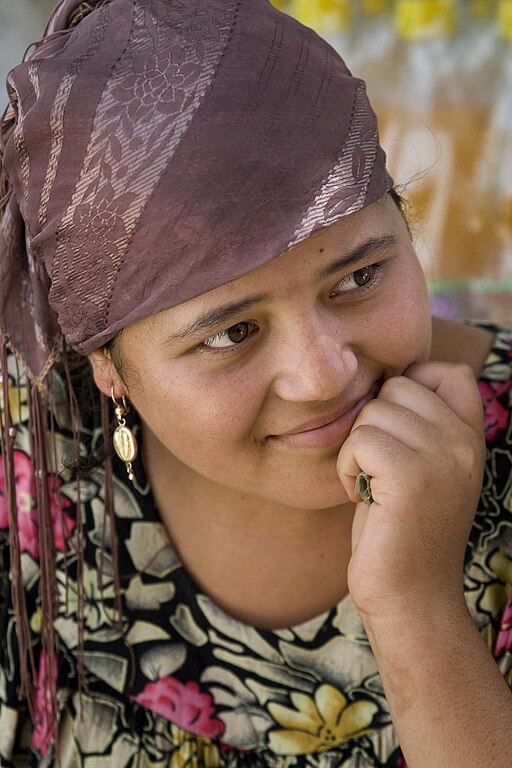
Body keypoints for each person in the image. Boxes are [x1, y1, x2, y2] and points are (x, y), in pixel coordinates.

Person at [0, 0, 510, 766]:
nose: (324, 374)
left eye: (361, 275)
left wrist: (417, 608)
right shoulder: (29, 459)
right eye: (232, 333)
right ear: (105, 362)